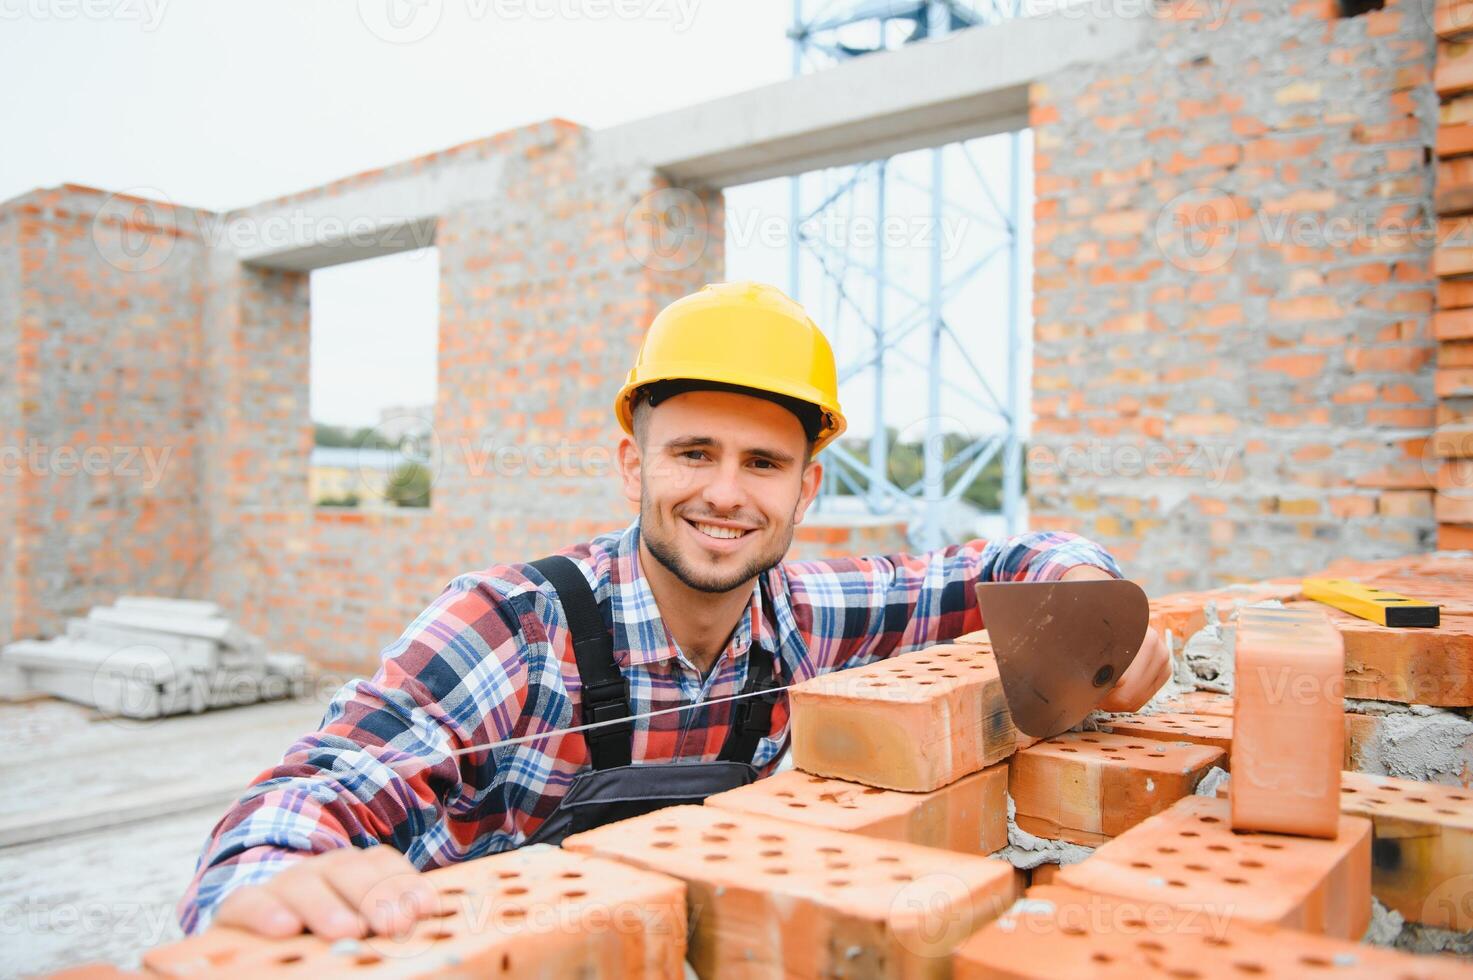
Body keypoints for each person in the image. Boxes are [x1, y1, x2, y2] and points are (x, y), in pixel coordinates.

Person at [177, 281, 1170, 940]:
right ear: (633, 462)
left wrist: (1090, 613)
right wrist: (263, 879)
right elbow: (315, 788)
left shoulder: (813, 615)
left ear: (808, 485)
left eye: (763, 463)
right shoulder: (511, 627)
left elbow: (1006, 560)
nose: (727, 494)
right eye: (694, 453)